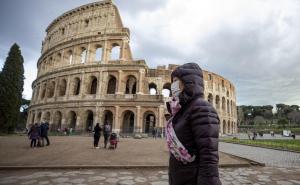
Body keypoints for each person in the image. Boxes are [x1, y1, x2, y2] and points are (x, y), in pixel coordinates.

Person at [166, 63, 221, 185]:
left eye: (175, 81)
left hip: (193, 179)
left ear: (188, 82)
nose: (172, 85)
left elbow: (209, 156)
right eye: (172, 81)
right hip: (182, 178)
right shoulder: (182, 110)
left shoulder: (202, 108)